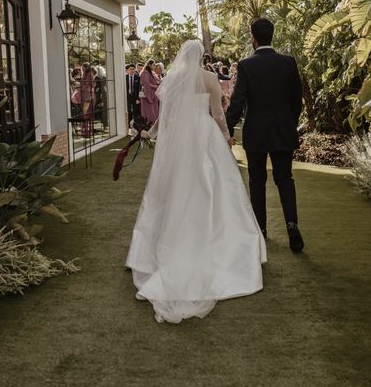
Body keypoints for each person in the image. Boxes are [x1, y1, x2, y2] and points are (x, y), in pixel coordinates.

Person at [126, 40, 266, 324]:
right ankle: (218, 245)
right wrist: (227, 137)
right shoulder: (210, 77)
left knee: (173, 190)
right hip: (204, 138)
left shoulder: (173, 79)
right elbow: (217, 115)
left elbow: (163, 119)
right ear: (201, 56)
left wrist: (148, 135)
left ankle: (161, 248)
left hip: (179, 140)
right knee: (213, 189)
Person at [226, 18, 304, 252]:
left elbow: (238, 102)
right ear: (272, 35)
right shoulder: (288, 63)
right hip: (283, 130)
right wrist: (291, 122)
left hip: (256, 133)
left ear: (253, 37)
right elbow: (296, 99)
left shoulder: (246, 65)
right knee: (285, 179)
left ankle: (260, 230)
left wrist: (226, 128)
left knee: (257, 180)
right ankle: (292, 226)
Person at [80, 63, 95, 137]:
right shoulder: (86, 74)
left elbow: (92, 84)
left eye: (82, 68)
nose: (82, 69)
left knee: (86, 114)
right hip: (86, 95)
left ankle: (87, 132)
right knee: (86, 114)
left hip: (88, 95)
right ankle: (86, 131)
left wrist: (82, 87)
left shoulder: (89, 74)